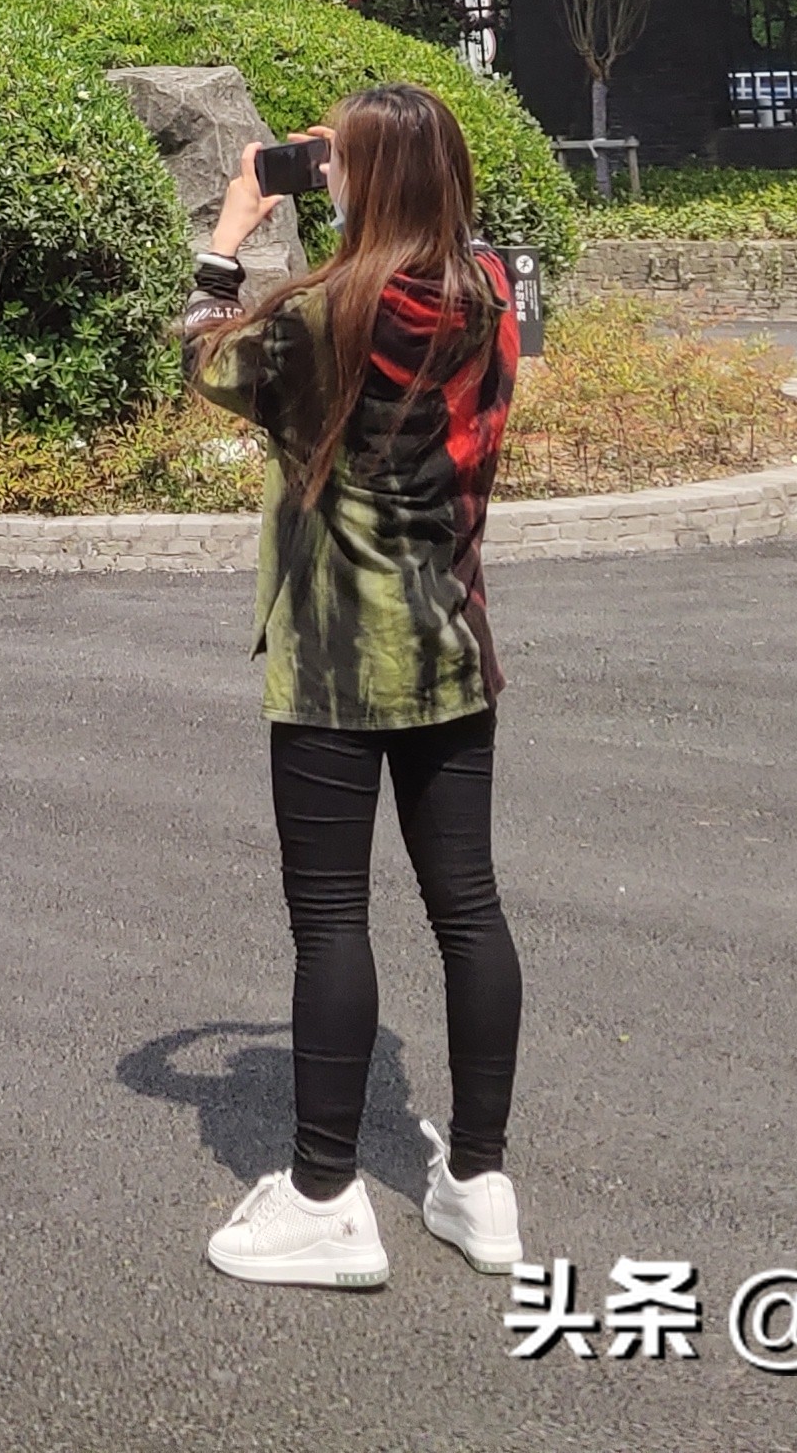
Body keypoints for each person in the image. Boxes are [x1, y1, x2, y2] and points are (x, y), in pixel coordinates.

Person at [179, 80, 528, 1293]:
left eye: (337, 161)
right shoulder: (489, 296)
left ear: (363, 183)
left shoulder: (325, 313)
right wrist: (365, 160)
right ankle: (479, 1185)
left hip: (336, 658)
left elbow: (208, 360)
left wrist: (231, 232)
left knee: (331, 919)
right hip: (451, 645)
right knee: (467, 911)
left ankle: (325, 1198)